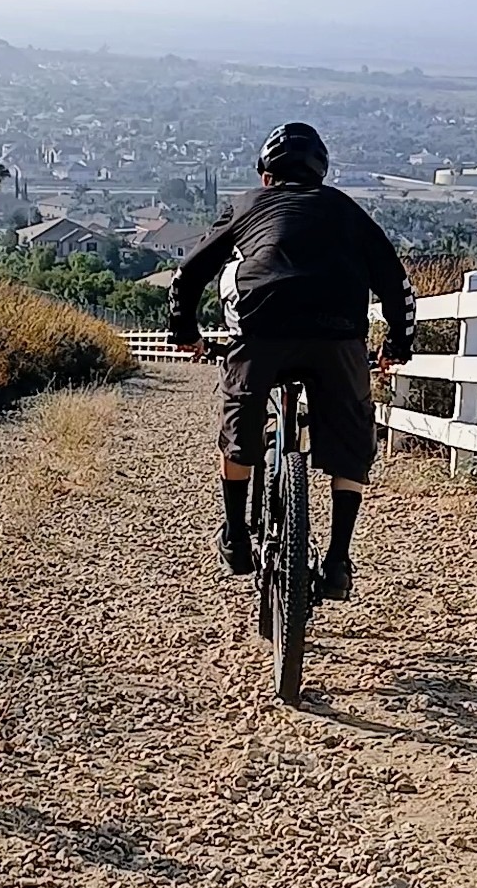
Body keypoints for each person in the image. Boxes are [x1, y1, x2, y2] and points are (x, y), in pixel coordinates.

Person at [167, 122, 415, 599]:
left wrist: (185, 332)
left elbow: (189, 272)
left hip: (262, 331)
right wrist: (398, 345)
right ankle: (338, 560)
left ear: (265, 177)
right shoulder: (344, 209)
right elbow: (395, 281)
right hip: (338, 337)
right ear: (321, 174)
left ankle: (236, 537)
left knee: (241, 430)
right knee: (351, 440)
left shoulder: (245, 205)